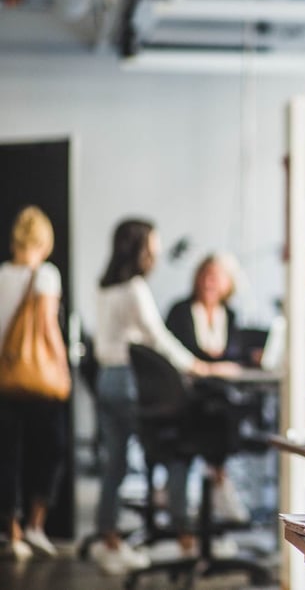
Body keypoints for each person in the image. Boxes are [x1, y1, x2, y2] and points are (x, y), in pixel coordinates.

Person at [91, 219, 238, 574]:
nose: (156, 254)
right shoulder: (135, 288)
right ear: (140, 249)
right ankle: (183, 533)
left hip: (104, 378)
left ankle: (107, 538)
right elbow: (158, 339)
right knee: (173, 446)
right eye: (153, 247)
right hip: (128, 380)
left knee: (115, 464)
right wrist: (198, 367)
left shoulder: (105, 287)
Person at [0, 206, 68, 561]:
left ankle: (12, 533)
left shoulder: (2, 275)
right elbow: (47, 327)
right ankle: (36, 526)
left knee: (8, 454)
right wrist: (63, 369)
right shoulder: (45, 275)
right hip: (38, 377)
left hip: (5, 377)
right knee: (51, 448)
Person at [165, 253, 253, 525]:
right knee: (215, 417)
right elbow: (175, 355)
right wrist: (211, 367)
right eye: (205, 274)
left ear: (228, 283)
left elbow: (237, 357)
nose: (209, 281)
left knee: (223, 410)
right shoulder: (180, 311)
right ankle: (218, 483)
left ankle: (217, 483)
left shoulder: (231, 316)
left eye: (216, 276)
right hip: (184, 398)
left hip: (217, 399)